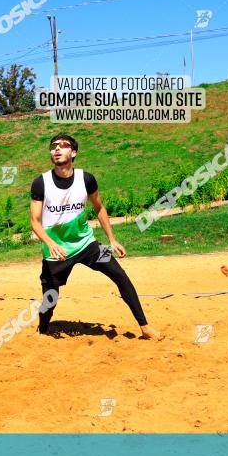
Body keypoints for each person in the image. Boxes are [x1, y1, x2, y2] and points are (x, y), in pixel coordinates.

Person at [29, 134, 164, 340]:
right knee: (50, 298)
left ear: (73, 152)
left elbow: (99, 208)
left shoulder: (86, 179)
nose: (56, 149)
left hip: (87, 245)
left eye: (62, 146)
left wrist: (112, 239)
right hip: (56, 251)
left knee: (120, 276)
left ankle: (145, 328)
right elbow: (35, 222)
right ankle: (44, 330)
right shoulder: (41, 183)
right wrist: (51, 243)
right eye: (53, 146)